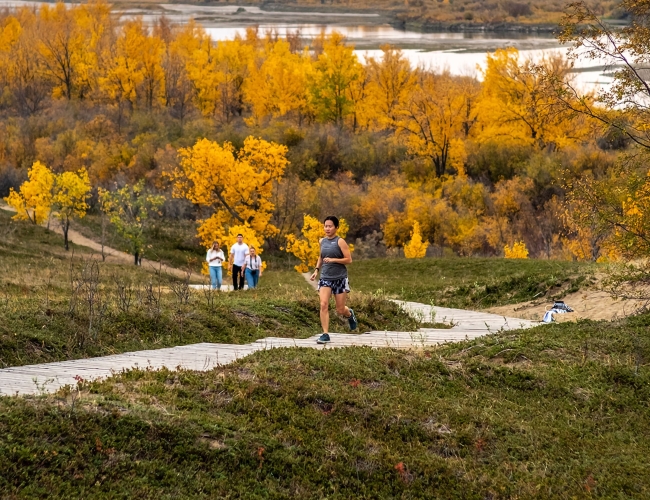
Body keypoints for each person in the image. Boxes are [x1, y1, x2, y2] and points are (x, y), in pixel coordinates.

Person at [310, 216, 358, 344]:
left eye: (330, 226)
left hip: (339, 278)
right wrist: (316, 270)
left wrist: (333, 260)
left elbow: (349, 260)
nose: (327, 228)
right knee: (323, 304)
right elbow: (321, 256)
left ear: (336, 227)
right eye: (325, 226)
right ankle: (325, 334)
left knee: (340, 309)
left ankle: (349, 314)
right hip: (325, 277)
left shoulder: (340, 242)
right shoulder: (322, 241)